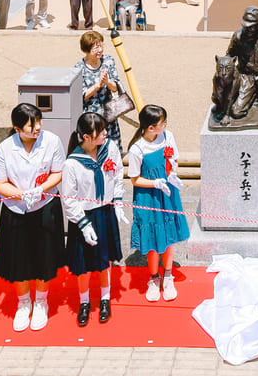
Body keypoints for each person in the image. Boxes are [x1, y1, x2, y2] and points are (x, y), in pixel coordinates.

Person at [0, 103, 65, 331]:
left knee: (44, 256)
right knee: (19, 259)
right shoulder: (5, 148)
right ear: (17, 128)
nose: (37, 128)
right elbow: (0, 183)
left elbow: (58, 172)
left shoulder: (51, 141)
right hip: (16, 209)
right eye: (31, 125)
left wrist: (40, 189)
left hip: (45, 206)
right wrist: (22, 195)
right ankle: (23, 303)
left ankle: (41, 301)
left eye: (39, 122)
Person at [60, 112, 124, 326]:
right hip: (85, 216)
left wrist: (118, 200)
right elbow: (69, 199)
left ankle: (105, 298)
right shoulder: (72, 164)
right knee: (84, 264)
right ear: (86, 137)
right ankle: (84, 301)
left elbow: (117, 175)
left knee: (104, 259)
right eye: (100, 130)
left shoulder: (110, 149)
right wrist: (83, 224)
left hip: (105, 212)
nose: (106, 133)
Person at [126, 104, 188, 301]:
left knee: (169, 235)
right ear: (150, 128)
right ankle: (154, 277)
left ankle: (168, 274)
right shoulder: (137, 149)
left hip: (167, 192)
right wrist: (155, 182)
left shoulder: (168, 136)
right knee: (152, 238)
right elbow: (134, 179)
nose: (166, 125)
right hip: (148, 196)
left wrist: (172, 173)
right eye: (162, 123)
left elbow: (174, 159)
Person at [75, 30, 127, 146]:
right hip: (91, 117)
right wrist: (97, 85)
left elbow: (117, 88)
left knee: (113, 148)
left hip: (109, 114)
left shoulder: (108, 61)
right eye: (95, 47)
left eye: (101, 46)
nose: (100, 50)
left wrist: (107, 81)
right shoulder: (78, 68)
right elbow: (81, 96)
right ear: (86, 49)